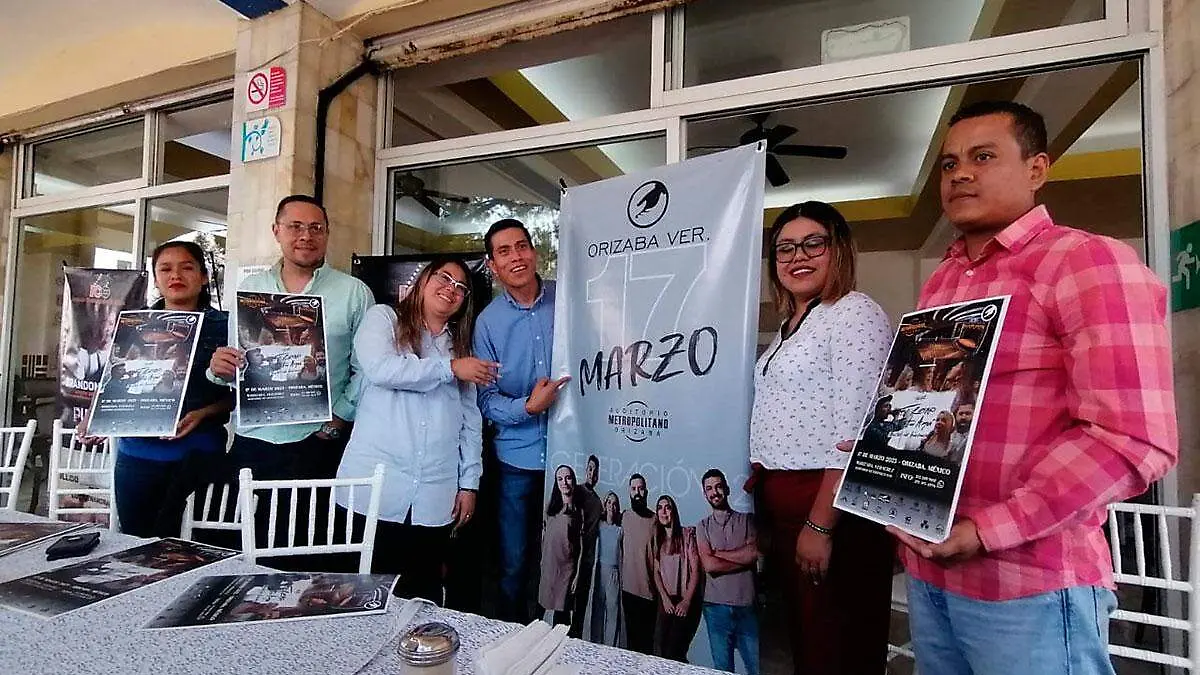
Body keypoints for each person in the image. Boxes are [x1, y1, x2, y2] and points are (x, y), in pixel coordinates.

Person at [894, 101, 1177, 675]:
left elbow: (1131, 438)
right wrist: (882, 453)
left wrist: (986, 531)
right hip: (929, 568)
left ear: (1037, 168)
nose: (960, 174)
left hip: (1031, 583)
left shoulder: (1087, 261)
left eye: (983, 157)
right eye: (949, 164)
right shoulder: (944, 280)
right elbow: (933, 409)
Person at [748, 200, 894, 675]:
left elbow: (856, 430)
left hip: (830, 503)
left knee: (837, 645)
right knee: (808, 640)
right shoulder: (791, 324)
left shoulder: (853, 313)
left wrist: (821, 524)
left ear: (839, 250)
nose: (798, 256)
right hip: (785, 502)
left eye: (813, 243)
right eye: (785, 248)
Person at [208, 196, 373, 547]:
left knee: (311, 550)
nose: (306, 236)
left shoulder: (354, 293)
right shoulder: (250, 291)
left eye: (316, 228)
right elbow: (238, 364)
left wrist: (337, 422)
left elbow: (366, 371)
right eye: (295, 226)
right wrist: (220, 369)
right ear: (277, 231)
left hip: (319, 443)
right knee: (244, 549)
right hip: (254, 441)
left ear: (327, 234)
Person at [333, 258, 491, 603]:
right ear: (422, 280)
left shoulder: (460, 347)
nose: (451, 289)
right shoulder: (384, 319)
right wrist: (450, 369)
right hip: (374, 491)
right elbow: (382, 369)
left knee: (421, 598)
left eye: (461, 287)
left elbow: (470, 420)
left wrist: (469, 483)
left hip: (434, 495)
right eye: (444, 278)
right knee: (357, 598)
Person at [82, 241, 232, 538]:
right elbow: (115, 383)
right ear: (156, 279)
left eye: (187, 267)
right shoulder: (133, 325)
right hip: (137, 458)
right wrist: (96, 416)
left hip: (200, 457)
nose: (175, 275)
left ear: (203, 276)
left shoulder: (225, 326)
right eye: (165, 269)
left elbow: (240, 396)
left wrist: (203, 413)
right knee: (137, 545)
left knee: (199, 548)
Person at [473, 218, 570, 622]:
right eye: (504, 251)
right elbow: (485, 400)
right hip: (518, 460)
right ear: (492, 265)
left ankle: (567, 644)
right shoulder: (487, 323)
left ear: (535, 251)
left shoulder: (568, 298)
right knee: (515, 564)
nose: (516, 257)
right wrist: (527, 408)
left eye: (521, 246)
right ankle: (512, 639)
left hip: (574, 456)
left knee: (571, 562)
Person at [694, 469, 758, 674]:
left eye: (718, 486)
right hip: (715, 609)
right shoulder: (702, 526)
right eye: (709, 489)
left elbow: (753, 554)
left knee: (756, 668)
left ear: (727, 489)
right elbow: (709, 565)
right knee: (722, 670)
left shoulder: (747, 520)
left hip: (746, 607)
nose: (715, 492)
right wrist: (741, 558)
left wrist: (718, 553)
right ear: (705, 494)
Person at [650, 495, 700, 663]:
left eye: (667, 507)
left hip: (682, 601)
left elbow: (695, 571)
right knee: (659, 648)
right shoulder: (658, 539)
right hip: (666, 601)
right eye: (660, 508)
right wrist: (664, 598)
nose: (664, 511)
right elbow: (656, 573)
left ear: (674, 511)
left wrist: (686, 601)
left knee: (675, 651)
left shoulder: (686, 536)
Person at [539, 464, 583, 625]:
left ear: (573, 481)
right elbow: (544, 536)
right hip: (549, 567)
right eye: (560, 479)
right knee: (540, 615)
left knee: (562, 618)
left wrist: (577, 575)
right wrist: (542, 561)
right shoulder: (550, 508)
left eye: (568, 478)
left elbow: (581, 548)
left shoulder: (578, 512)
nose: (564, 482)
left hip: (566, 571)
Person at [620, 473, 657, 654]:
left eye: (641, 489)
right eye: (634, 489)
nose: (637, 492)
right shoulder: (624, 517)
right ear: (629, 492)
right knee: (630, 648)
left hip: (649, 594)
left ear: (646, 492)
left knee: (647, 649)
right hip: (627, 592)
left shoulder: (656, 520)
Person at [571, 454, 603, 637]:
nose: (593, 473)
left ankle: (575, 639)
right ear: (586, 470)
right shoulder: (575, 491)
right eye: (590, 469)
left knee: (580, 605)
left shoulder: (598, 503)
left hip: (588, 559)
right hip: (571, 555)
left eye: (596, 471)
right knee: (564, 603)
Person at [590, 491, 623, 646]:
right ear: (605, 505)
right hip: (600, 570)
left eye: (614, 503)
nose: (612, 506)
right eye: (609, 502)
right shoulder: (599, 526)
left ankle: (610, 646)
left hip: (614, 573)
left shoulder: (620, 530)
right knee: (597, 609)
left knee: (612, 610)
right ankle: (595, 643)